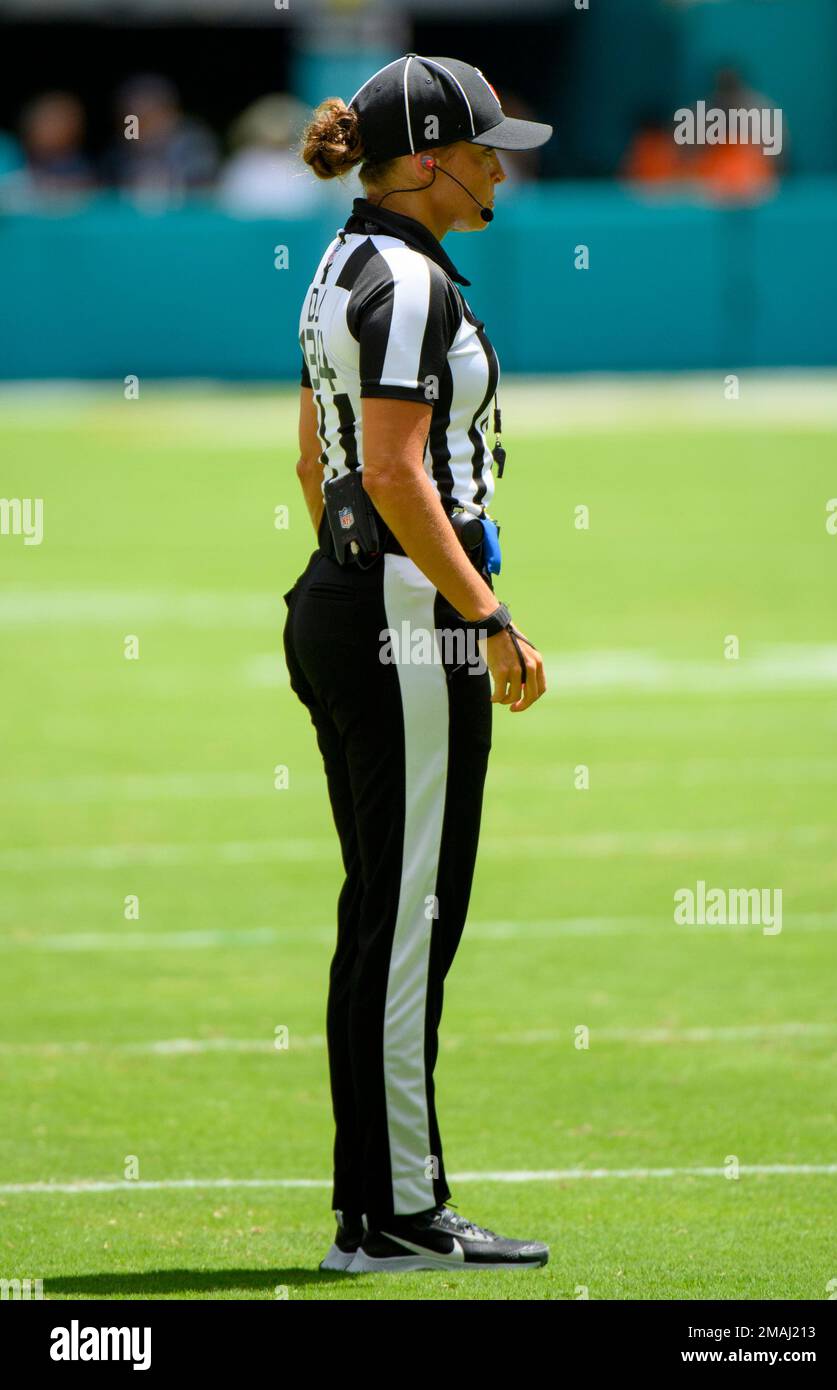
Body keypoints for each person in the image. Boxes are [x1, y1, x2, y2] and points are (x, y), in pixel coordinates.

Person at [282, 54, 551, 1273]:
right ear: (431, 157)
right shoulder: (406, 282)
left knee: (387, 913)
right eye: (486, 145)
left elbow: (313, 466)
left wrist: (366, 581)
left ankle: (382, 1201)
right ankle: (393, 1216)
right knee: (407, 921)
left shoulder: (346, 261)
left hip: (352, 600)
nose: (503, 164)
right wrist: (482, 612)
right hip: (402, 622)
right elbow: (390, 471)